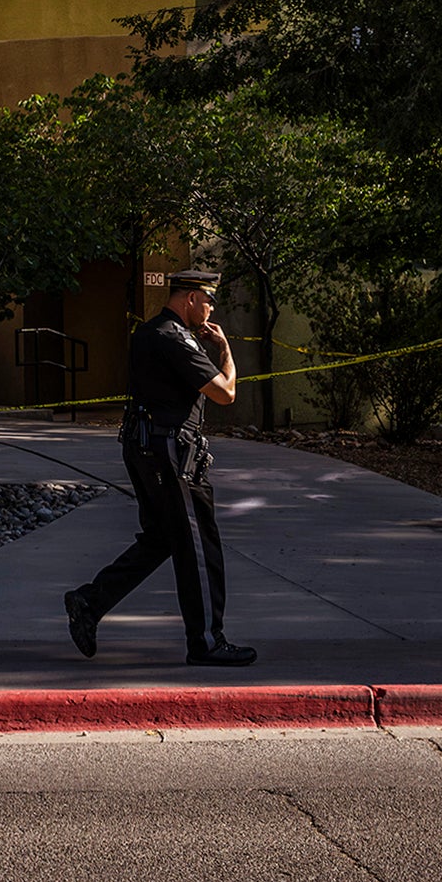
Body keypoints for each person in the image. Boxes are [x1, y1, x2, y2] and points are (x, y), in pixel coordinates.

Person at [64, 268, 256, 667]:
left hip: (146, 448)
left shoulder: (153, 332)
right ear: (189, 298)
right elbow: (225, 392)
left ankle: (90, 601)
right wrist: (225, 352)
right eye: (207, 301)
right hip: (171, 453)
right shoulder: (176, 338)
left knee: (162, 540)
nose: (210, 309)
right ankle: (207, 642)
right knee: (200, 545)